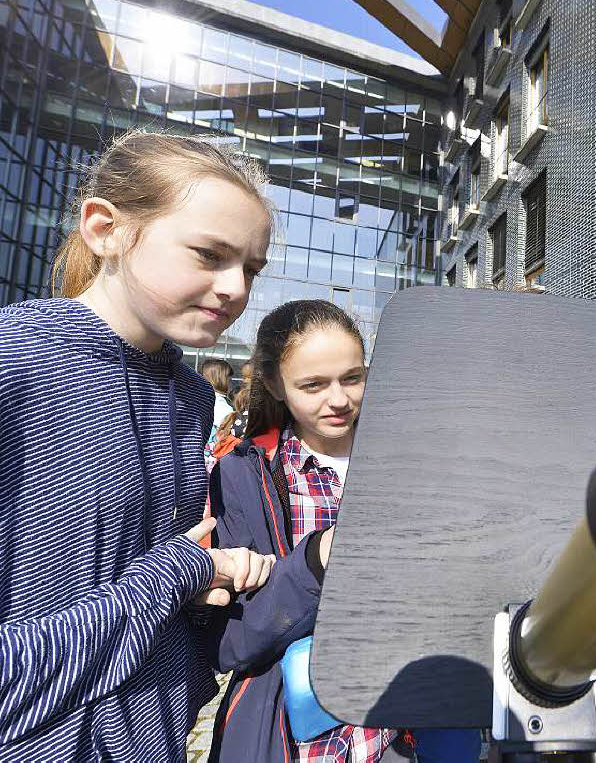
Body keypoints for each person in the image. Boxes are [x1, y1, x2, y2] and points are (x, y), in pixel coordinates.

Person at [0, 131, 277, 759]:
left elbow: (148, 613)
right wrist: (183, 571)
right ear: (105, 228)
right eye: (209, 254)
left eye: (251, 269)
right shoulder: (14, 363)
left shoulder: (187, 396)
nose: (236, 288)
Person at [207, 300, 482, 763]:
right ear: (274, 382)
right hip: (301, 739)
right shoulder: (242, 474)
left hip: (411, 729)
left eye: (353, 378)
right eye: (313, 385)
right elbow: (230, 639)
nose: (339, 400)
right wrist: (316, 561)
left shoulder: (412, 460)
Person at [201, 357, 236, 432]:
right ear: (218, 378)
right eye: (228, 376)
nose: (231, 380)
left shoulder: (204, 398)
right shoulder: (218, 402)